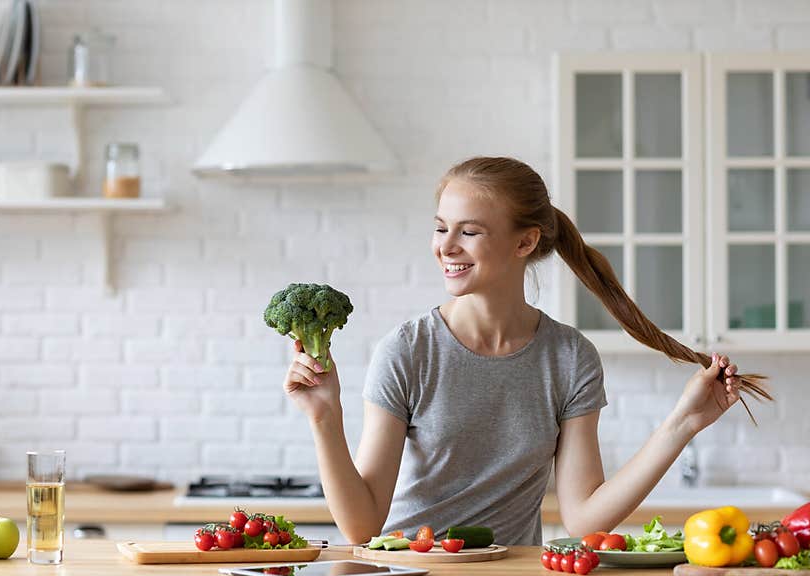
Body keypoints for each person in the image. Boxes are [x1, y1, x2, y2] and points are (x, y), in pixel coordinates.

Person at [281, 156, 772, 546]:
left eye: (468, 231)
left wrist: (682, 424)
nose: (445, 246)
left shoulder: (569, 357)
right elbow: (362, 527)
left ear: (525, 242)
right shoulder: (408, 351)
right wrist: (325, 417)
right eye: (440, 227)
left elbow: (582, 518)